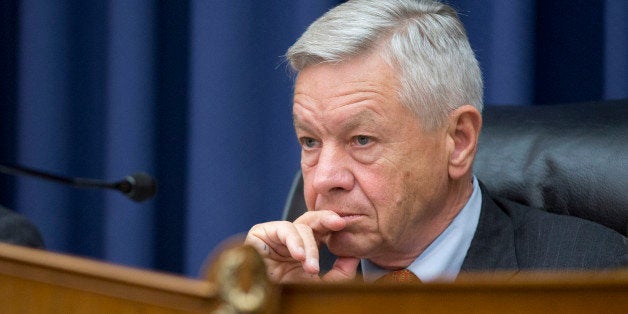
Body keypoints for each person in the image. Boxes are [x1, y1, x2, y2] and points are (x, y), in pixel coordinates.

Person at [245, 0, 627, 283]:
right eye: (310, 141)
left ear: (458, 141)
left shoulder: (588, 272)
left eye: (362, 139)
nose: (324, 178)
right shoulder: (293, 272)